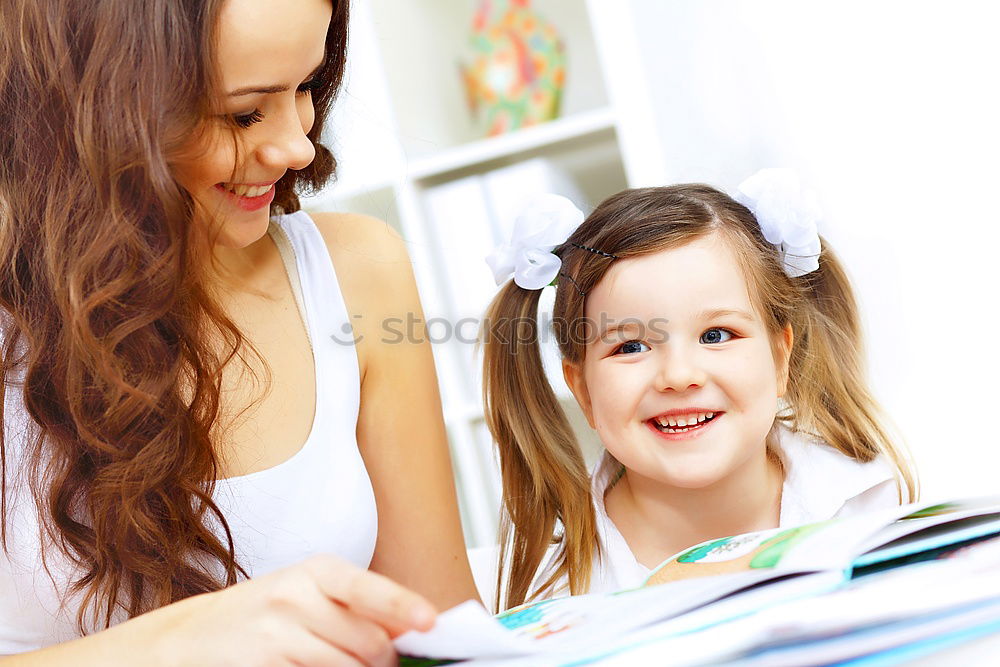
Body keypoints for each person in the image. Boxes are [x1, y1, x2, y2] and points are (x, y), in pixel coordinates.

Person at [0, 0, 478, 663]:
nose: (297, 146)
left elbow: (445, 638)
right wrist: (185, 639)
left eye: (306, 86)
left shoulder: (359, 274)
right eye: (244, 112)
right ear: (97, 112)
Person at [479, 173, 917, 611]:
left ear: (780, 358)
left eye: (716, 335)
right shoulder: (553, 580)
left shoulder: (866, 503)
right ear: (584, 392)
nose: (679, 375)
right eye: (631, 346)